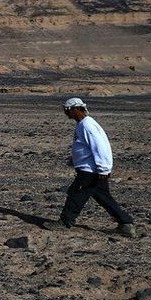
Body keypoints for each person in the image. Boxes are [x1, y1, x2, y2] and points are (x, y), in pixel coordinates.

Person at [43, 98, 136, 237]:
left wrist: (103, 168)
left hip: (90, 171)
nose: (66, 113)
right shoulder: (84, 124)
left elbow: (100, 147)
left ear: (76, 109)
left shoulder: (87, 125)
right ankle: (126, 224)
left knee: (76, 194)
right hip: (92, 169)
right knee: (103, 197)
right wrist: (75, 159)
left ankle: (65, 222)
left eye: (67, 110)